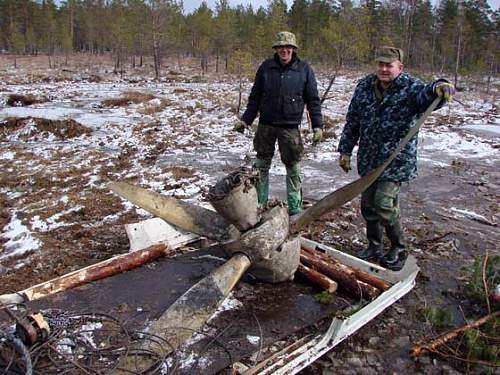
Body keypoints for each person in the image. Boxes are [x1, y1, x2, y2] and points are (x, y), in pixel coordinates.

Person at [337, 46, 455, 270]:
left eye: (388, 65)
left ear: (400, 67)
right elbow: (353, 120)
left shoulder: (411, 88)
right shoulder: (364, 87)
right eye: (380, 64)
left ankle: (398, 246)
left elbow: (429, 96)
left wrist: (440, 85)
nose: (383, 69)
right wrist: (345, 150)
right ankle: (374, 245)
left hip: (396, 160)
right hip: (369, 158)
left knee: (383, 203)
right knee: (368, 205)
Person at [233, 31, 323, 216]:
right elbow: (255, 98)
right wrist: (245, 121)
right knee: (261, 165)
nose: (284, 50)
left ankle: (295, 208)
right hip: (266, 125)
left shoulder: (304, 70)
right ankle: (259, 204)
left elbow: (313, 100)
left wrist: (318, 126)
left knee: (293, 167)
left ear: (293, 49)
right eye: (281, 47)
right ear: (276, 48)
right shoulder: (266, 68)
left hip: (290, 128)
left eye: (288, 47)